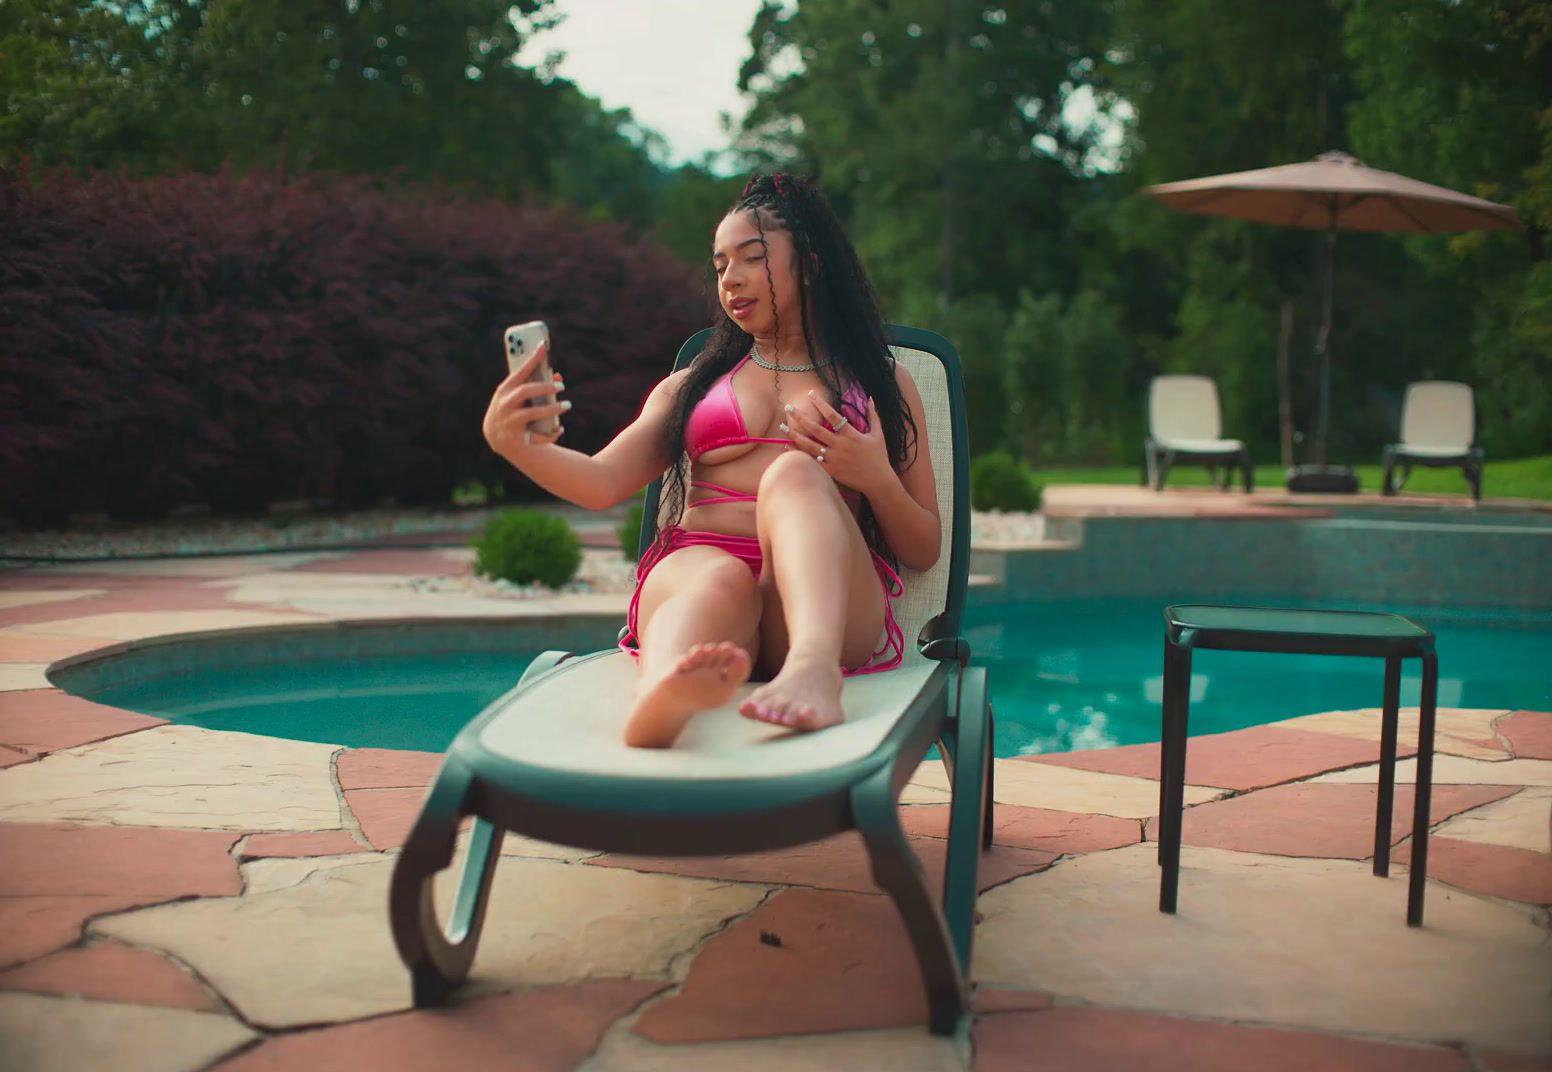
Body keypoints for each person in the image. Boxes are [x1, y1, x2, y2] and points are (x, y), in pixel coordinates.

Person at [482, 173, 940, 748]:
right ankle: (663, 694)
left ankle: (812, 671)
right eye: (720, 265)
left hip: (823, 609)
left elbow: (923, 549)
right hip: (707, 589)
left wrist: (874, 478)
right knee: (720, 575)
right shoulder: (691, 388)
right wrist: (518, 446)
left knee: (794, 474)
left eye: (752, 258)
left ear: (811, 265)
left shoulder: (876, 382)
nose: (732, 278)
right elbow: (601, 483)